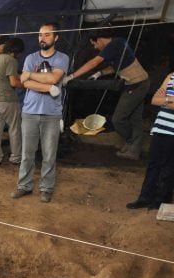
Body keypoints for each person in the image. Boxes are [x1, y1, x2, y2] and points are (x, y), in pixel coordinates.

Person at [63, 31, 150, 160]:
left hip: (136, 85)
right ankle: (133, 150)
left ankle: (132, 143)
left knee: (118, 119)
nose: (95, 47)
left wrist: (72, 76)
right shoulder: (119, 42)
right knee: (135, 119)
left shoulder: (113, 44)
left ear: (98, 40)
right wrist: (100, 73)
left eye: (94, 44)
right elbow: (117, 67)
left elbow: (93, 62)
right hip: (140, 82)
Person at [12, 22, 69, 203]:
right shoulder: (30, 58)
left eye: (46, 35)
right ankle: (24, 186)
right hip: (29, 112)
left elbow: (54, 78)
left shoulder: (62, 58)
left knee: (49, 155)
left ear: (56, 37)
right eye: (40, 35)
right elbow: (24, 82)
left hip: (52, 114)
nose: (42, 38)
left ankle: (46, 188)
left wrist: (30, 75)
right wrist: (48, 87)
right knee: (27, 153)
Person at [126, 72, 174, 209]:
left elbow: (162, 100)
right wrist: (168, 100)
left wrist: (165, 98)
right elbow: (154, 100)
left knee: (168, 165)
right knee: (153, 163)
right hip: (160, 127)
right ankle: (145, 197)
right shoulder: (171, 76)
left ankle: (161, 199)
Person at [0, 38, 25, 168]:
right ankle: (16, 157)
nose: (20, 55)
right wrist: (29, 85)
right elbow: (13, 82)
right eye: (20, 52)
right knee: (15, 129)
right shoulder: (11, 60)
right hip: (7, 100)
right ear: (16, 50)